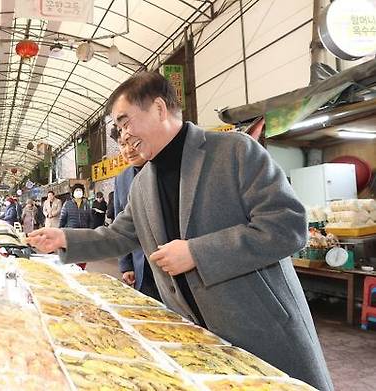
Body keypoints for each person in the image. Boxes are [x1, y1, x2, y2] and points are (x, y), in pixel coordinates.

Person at [28, 71, 333, 391]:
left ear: (159, 108)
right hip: (196, 335)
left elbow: (287, 225)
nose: (123, 136)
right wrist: (63, 238)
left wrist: (196, 253)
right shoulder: (143, 183)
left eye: (125, 122)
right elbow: (119, 235)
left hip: (259, 326)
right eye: (118, 129)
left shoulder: (233, 151)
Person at [114, 132, 160, 301]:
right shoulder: (122, 179)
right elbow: (121, 226)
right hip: (141, 268)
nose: (128, 150)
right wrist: (126, 265)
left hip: (172, 265)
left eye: (131, 142)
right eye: (122, 144)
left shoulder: (163, 166)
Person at [59, 184, 90, 269]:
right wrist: (60, 231)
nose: (78, 192)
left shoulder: (86, 205)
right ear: (73, 193)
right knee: (72, 255)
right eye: (76, 190)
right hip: (71, 232)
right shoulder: (67, 204)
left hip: (83, 233)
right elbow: (62, 219)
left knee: (83, 255)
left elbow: (90, 219)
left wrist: (90, 231)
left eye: (80, 190)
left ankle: (81, 270)